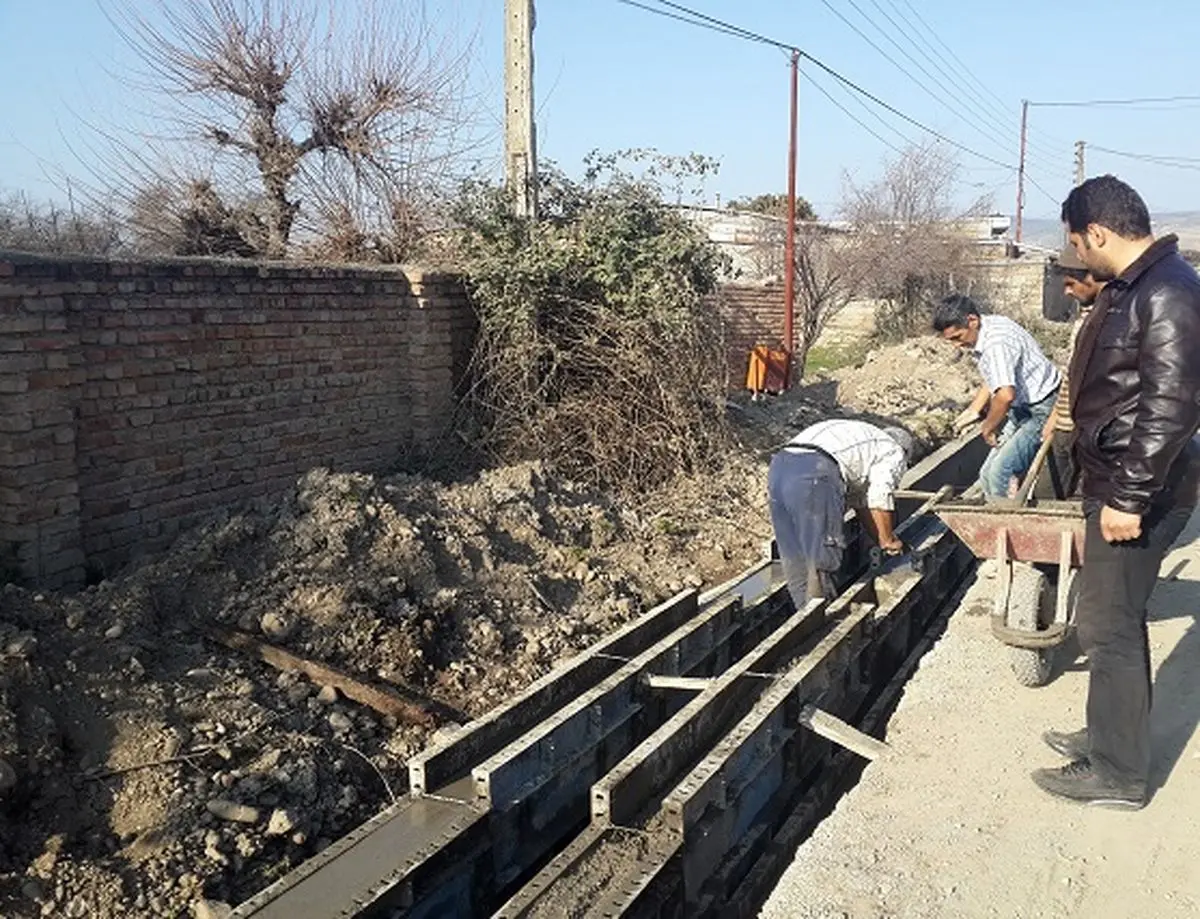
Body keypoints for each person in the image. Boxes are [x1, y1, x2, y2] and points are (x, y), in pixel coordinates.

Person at [1034, 175, 1200, 809]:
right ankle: (1106, 735)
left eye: (1079, 243)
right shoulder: (1139, 287)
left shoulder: (1168, 292)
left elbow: (1171, 407)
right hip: (1116, 480)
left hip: (1137, 490)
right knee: (1105, 621)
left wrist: (1129, 497)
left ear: (1097, 233)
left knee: (1109, 627)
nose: (1080, 256)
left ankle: (1120, 774)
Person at [767, 419, 913, 611]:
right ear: (905, 452)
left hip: (779, 468)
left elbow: (863, 504)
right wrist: (888, 540)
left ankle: (803, 618)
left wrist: (879, 538)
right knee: (821, 557)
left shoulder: (863, 442)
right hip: (816, 472)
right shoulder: (892, 450)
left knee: (795, 558)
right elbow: (880, 496)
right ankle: (821, 624)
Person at [933, 294, 1062, 498]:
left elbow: (1005, 395)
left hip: (1042, 409)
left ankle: (1010, 526)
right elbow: (995, 377)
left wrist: (988, 427)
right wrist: (975, 409)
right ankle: (1000, 513)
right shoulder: (989, 326)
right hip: (1022, 408)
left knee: (1000, 474)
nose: (956, 346)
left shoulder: (996, 343)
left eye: (957, 337)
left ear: (972, 321)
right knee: (986, 475)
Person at [1034, 246, 1107, 499]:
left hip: (1087, 430)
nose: (1066, 291)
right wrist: (1055, 416)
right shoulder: (1085, 319)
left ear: (1093, 276)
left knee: (1068, 501)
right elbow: (1071, 374)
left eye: (1070, 283)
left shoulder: (1108, 321)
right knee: (1046, 497)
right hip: (1067, 424)